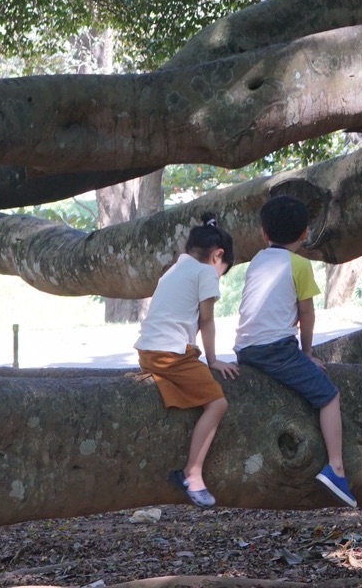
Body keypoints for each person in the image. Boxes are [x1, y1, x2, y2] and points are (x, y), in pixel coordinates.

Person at [233, 194, 357, 506]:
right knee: (329, 396)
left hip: (245, 349)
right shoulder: (299, 265)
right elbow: (306, 315)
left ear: (264, 233)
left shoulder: (258, 261)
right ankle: (336, 467)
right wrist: (306, 353)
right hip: (275, 348)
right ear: (305, 234)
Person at [134, 215, 238, 508]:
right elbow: (207, 320)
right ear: (218, 256)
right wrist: (214, 360)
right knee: (218, 403)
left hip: (148, 352)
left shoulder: (173, 270)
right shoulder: (205, 273)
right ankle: (192, 473)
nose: (219, 277)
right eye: (223, 270)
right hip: (171, 354)